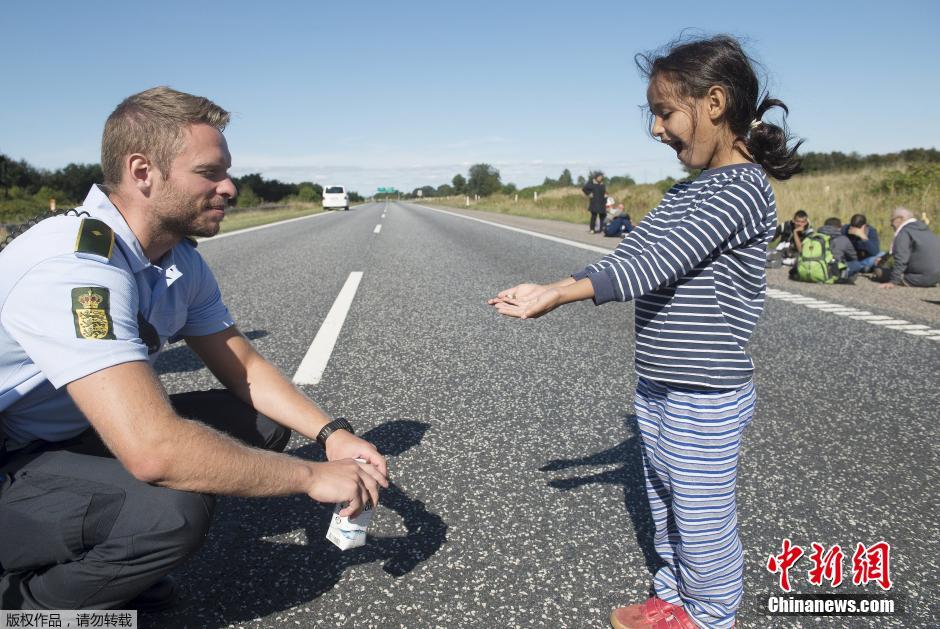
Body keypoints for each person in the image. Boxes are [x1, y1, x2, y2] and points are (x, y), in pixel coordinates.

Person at [0, 87, 388, 611]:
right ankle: (28, 612)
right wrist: (311, 476)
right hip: (11, 453)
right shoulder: (74, 268)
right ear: (143, 172)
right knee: (171, 512)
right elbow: (153, 452)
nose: (230, 187)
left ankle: (108, 553)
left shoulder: (176, 259)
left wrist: (331, 435)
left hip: (64, 433)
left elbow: (243, 364)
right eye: (210, 173)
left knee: (263, 422)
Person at [490, 35, 802, 629]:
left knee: (701, 515)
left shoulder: (741, 190)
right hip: (661, 382)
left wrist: (560, 291)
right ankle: (675, 599)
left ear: (713, 103)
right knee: (664, 502)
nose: (656, 129)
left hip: (704, 390)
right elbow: (635, 249)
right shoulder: (691, 191)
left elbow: (653, 264)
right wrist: (562, 281)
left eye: (664, 112)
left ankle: (710, 616)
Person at [878, 206, 940, 288]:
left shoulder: (904, 232)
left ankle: (904, 280)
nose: (891, 224)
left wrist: (893, 281)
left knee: (878, 271)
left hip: (919, 278)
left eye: (892, 220)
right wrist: (884, 258)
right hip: (936, 277)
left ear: (900, 219)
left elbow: (901, 258)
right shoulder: (925, 230)